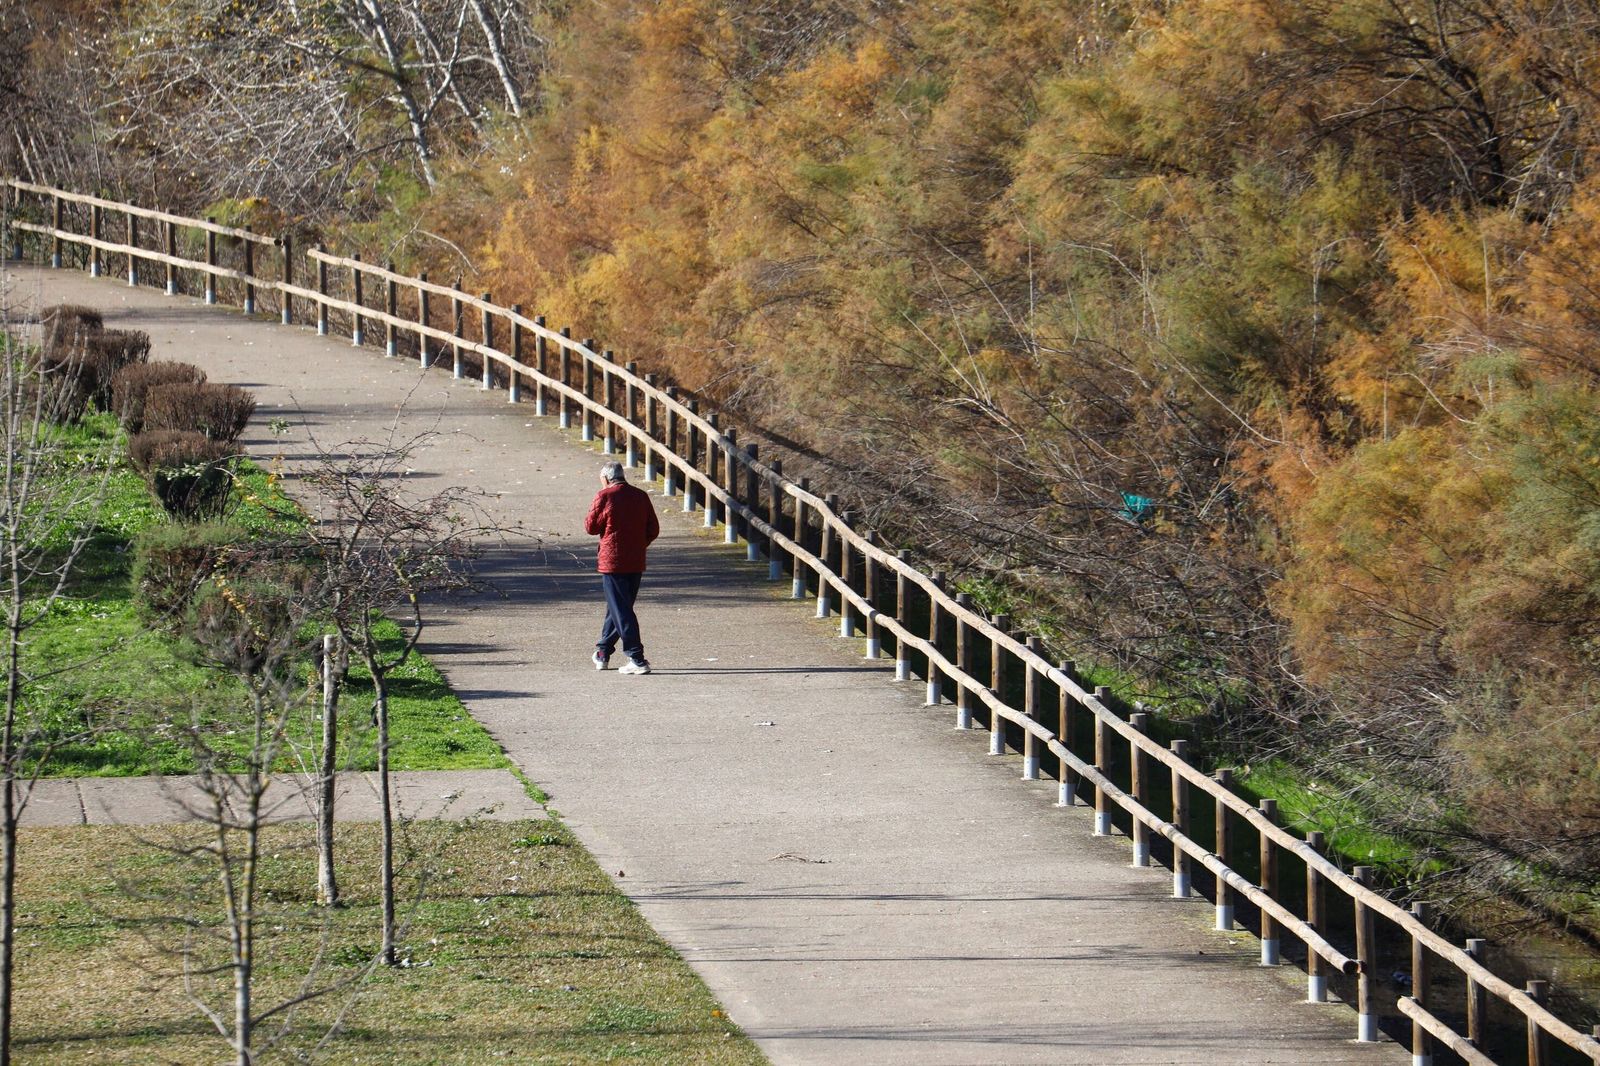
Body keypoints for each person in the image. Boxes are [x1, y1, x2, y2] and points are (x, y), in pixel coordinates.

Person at [584, 460, 660, 675]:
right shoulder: (641, 496)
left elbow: (591, 527)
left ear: (606, 478)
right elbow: (653, 529)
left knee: (621, 610)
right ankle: (603, 652)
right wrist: (638, 545)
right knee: (618, 608)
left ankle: (636, 657)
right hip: (635, 561)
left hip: (612, 562)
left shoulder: (605, 496)